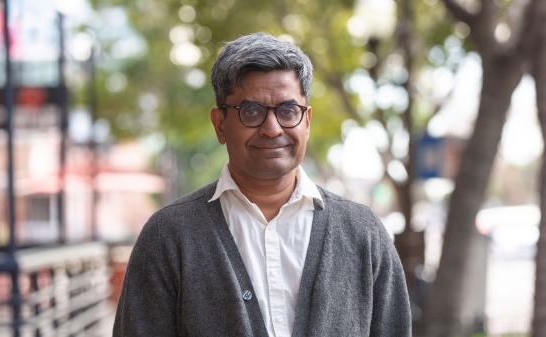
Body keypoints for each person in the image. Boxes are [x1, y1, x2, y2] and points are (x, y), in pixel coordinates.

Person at [113, 32, 411, 337]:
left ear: (306, 122)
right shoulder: (169, 235)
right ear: (220, 124)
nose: (272, 129)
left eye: (288, 111)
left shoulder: (364, 234)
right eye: (251, 111)